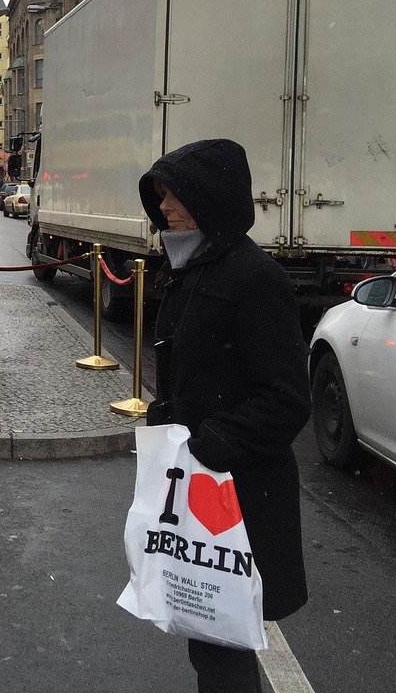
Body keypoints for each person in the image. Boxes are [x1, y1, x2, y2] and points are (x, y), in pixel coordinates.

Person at [137, 139, 310, 693]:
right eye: (161, 195)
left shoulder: (255, 279)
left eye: (175, 195)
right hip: (199, 489)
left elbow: (287, 399)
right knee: (209, 643)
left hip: (240, 496)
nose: (164, 207)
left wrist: (209, 442)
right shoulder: (190, 269)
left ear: (211, 199)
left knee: (224, 652)